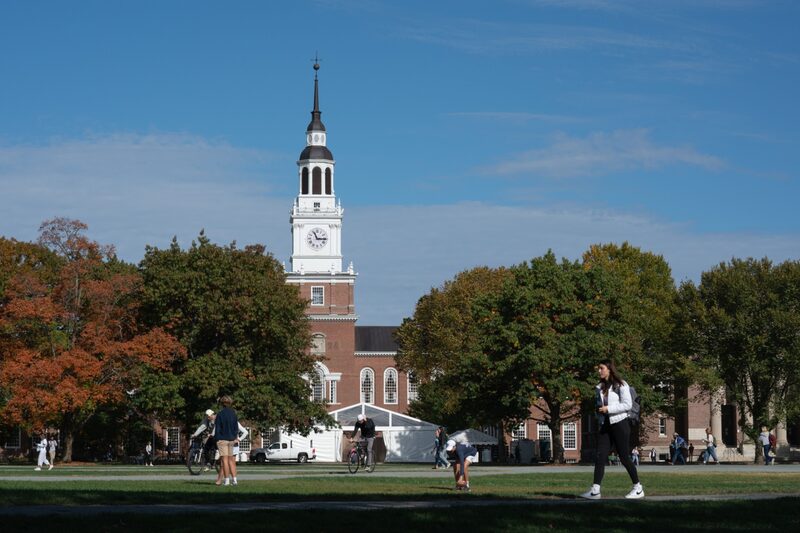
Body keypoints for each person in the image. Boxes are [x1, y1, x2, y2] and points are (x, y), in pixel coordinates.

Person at [580, 360, 643, 500]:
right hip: (606, 425)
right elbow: (599, 405)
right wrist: (599, 413)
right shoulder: (600, 387)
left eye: (601, 368)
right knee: (600, 456)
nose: (599, 371)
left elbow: (627, 405)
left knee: (624, 457)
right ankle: (595, 490)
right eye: (598, 368)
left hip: (620, 424)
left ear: (609, 369)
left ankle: (638, 487)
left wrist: (608, 409)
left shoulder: (621, 385)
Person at [214, 396, 240, 486]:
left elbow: (217, 428)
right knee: (231, 460)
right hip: (232, 439)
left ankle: (227, 480)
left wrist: (216, 439)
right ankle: (235, 480)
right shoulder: (234, 413)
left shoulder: (220, 414)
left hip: (222, 439)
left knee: (224, 460)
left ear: (222, 403)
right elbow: (236, 428)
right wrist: (234, 436)